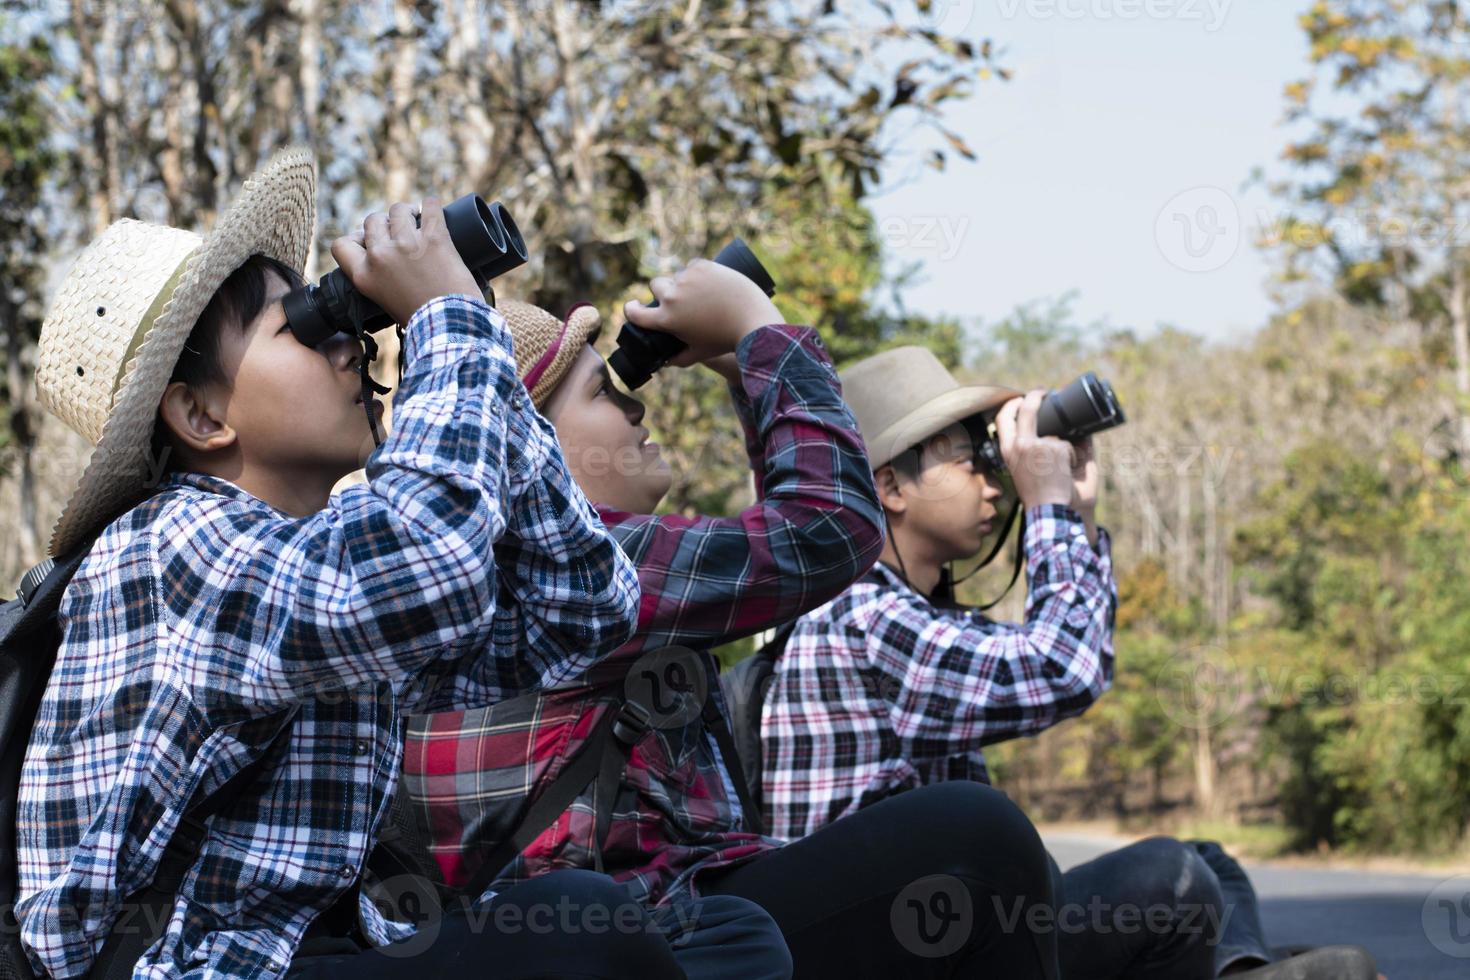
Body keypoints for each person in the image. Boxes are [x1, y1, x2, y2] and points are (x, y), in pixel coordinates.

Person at [15, 149, 678, 979]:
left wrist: (480, 352)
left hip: (318, 951)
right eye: (301, 325)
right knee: (587, 931)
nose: (347, 342)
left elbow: (582, 610)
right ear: (198, 413)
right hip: (196, 968)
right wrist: (445, 318)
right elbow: (430, 566)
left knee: (716, 929)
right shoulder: (169, 546)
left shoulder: (312, 559)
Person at [403, 268, 1062, 978]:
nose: (636, 411)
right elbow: (824, 529)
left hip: (660, 918)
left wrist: (747, 372)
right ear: (528, 448)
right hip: (658, 933)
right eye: (605, 392)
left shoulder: (517, 568)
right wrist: (756, 326)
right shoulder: (571, 568)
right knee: (977, 837)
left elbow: (779, 543)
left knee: (1118, 880)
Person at [759, 345, 1379, 980]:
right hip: (896, 949)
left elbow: (1056, 653)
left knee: (1207, 861)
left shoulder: (901, 611)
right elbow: (1063, 669)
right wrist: (1049, 505)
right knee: (1173, 878)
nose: (994, 483)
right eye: (970, 463)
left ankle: (1237, 973)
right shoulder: (864, 616)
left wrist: (1075, 516)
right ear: (890, 485)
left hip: (940, 926)